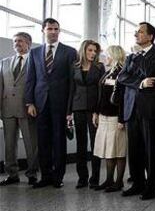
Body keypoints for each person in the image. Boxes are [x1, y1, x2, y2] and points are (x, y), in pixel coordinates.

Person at [118, 22, 155, 200]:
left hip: (150, 109)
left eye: (140, 32)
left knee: (150, 149)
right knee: (135, 149)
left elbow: (149, 71)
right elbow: (122, 77)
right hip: (132, 108)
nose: (136, 35)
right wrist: (140, 83)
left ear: (150, 36)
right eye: (136, 32)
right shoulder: (131, 57)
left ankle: (151, 186)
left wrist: (138, 58)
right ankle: (137, 183)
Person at [25, 18, 77, 188]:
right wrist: (29, 103)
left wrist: (70, 108)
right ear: (43, 30)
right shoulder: (34, 53)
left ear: (59, 31)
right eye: (50, 29)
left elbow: (72, 82)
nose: (53, 32)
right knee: (43, 141)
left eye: (56, 29)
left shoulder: (69, 52)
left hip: (60, 104)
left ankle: (58, 177)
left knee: (58, 140)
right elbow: (30, 79)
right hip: (40, 104)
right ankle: (45, 176)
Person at [0, 32, 38, 186]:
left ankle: (32, 174)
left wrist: (34, 104)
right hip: (7, 109)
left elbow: (37, 85)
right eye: (15, 41)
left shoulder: (35, 61)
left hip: (27, 108)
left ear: (28, 43)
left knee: (31, 143)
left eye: (20, 41)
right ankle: (12, 174)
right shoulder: (5, 62)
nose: (17, 43)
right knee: (9, 144)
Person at [68, 40, 105, 189]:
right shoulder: (74, 66)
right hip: (77, 108)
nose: (93, 53)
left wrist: (98, 111)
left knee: (96, 144)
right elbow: (71, 89)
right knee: (81, 144)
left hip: (93, 109)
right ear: (83, 51)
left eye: (95, 51)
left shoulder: (99, 67)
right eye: (90, 50)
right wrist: (68, 112)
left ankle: (95, 178)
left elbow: (101, 91)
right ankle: (82, 177)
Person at [93, 45, 127, 193]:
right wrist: (96, 112)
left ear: (114, 56)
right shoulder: (107, 74)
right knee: (107, 149)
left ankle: (118, 181)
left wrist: (122, 119)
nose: (104, 58)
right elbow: (101, 96)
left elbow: (123, 99)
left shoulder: (122, 74)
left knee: (118, 150)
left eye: (107, 55)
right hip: (104, 116)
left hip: (115, 118)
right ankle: (108, 179)